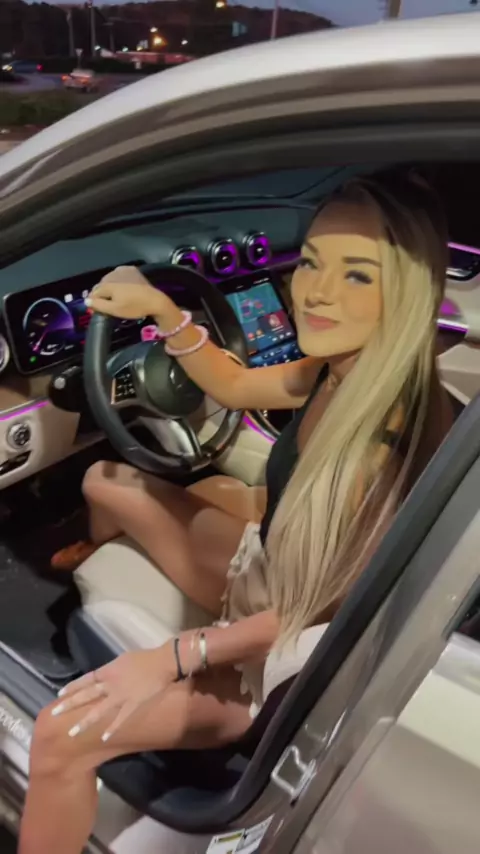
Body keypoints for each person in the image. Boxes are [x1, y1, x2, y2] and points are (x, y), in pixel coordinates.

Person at [19, 170, 453, 854]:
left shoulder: (380, 450)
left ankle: (100, 581)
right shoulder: (343, 369)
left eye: (358, 275)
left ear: (409, 291)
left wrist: (172, 656)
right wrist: (163, 312)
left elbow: (318, 616)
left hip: (271, 663)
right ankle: (90, 557)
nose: (316, 292)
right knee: (105, 479)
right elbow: (236, 383)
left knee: (60, 736)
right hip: (268, 569)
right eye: (311, 262)